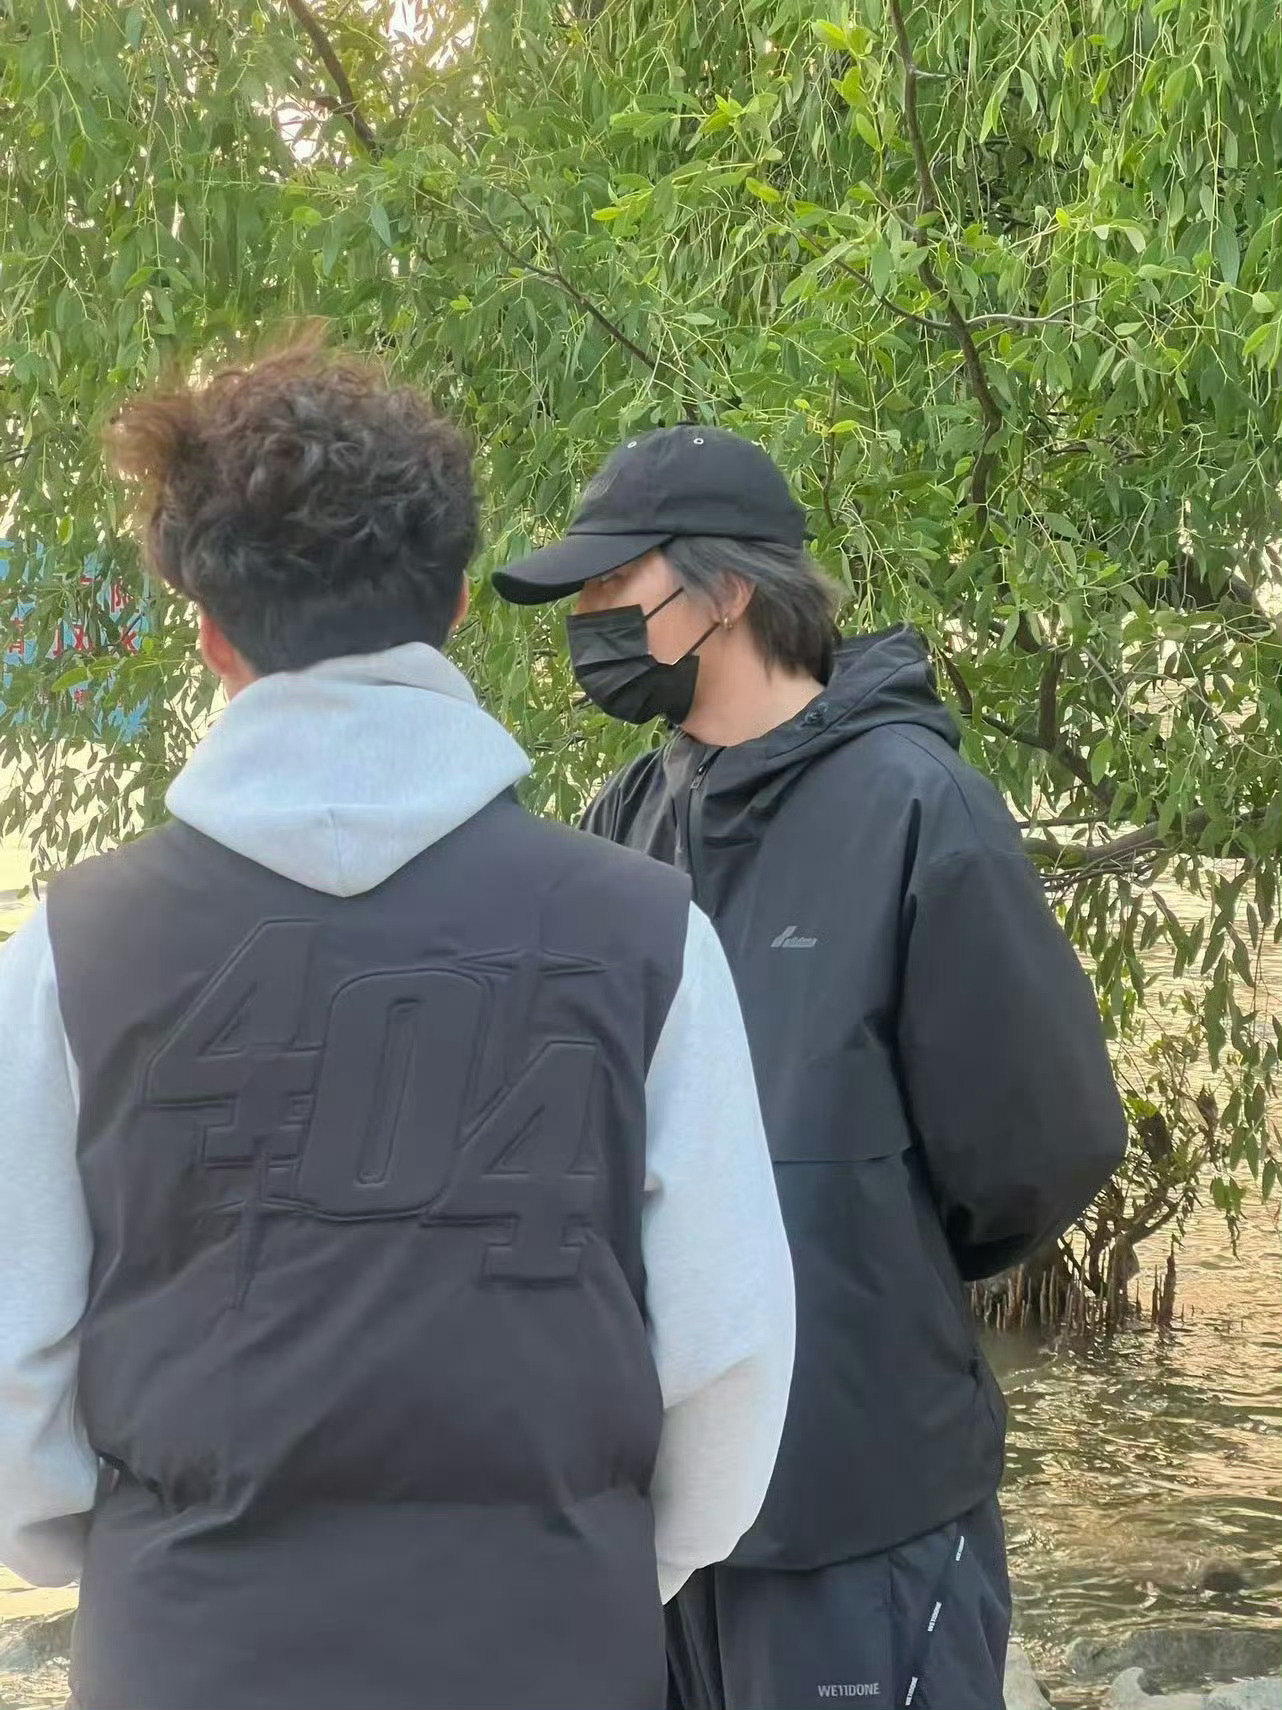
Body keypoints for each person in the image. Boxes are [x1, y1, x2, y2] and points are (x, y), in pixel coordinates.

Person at [0, 353, 796, 1710]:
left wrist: (152, 1559)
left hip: (190, 1652)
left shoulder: (70, 951)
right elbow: (729, 1358)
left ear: (210, 633)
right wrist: (595, 1556)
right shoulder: (649, 937)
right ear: (456, 608)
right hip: (551, 1647)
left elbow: (18, 1378)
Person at [493, 424, 1129, 1710]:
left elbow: (1043, 1146)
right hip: (661, 1520)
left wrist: (858, 1254)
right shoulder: (626, 818)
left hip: (859, 1509)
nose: (588, 620)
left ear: (725, 590)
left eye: (614, 584)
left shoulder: (918, 809)